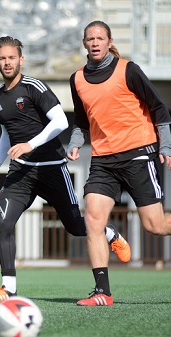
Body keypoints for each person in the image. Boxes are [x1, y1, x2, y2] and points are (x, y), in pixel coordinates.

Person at [0, 36, 131, 303]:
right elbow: (6, 133)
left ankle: (110, 233)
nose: (7, 62)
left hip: (51, 169)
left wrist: (30, 144)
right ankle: (8, 288)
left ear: (21, 60)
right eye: (2, 58)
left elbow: (61, 121)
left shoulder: (34, 87)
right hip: (20, 173)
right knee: (3, 223)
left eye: (11, 57)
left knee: (75, 226)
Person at [67, 20, 171, 306]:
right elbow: (80, 120)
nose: (96, 42)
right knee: (93, 219)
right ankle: (103, 292)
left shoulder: (129, 70)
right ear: (85, 43)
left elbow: (159, 108)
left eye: (100, 38)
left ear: (109, 41)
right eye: (91, 39)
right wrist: (75, 144)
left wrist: (166, 146)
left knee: (156, 225)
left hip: (138, 154)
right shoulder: (77, 79)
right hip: (102, 160)